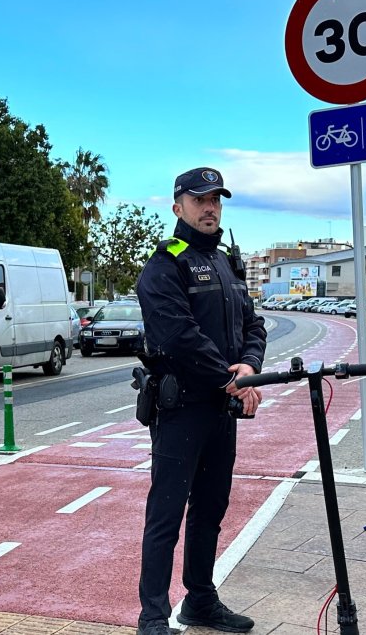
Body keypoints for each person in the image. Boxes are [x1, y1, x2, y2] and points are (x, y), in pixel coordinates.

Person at [135, 167, 266, 635]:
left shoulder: (229, 264)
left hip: (220, 409)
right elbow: (178, 336)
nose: (209, 207)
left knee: (211, 509)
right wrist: (231, 380)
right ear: (178, 207)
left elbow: (254, 325)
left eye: (216, 200)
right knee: (166, 514)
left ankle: (200, 601)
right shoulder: (164, 265)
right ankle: (152, 617)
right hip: (182, 407)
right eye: (199, 199)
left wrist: (248, 367)